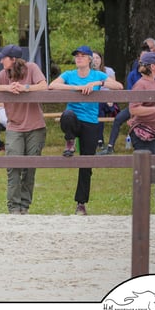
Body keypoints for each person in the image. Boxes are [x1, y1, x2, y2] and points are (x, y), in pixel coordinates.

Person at [48, 45, 123, 215]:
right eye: (77, 56)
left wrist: (96, 83)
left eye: (83, 56)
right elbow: (52, 85)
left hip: (90, 122)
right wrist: (76, 88)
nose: (79, 58)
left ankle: (81, 203)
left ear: (90, 59)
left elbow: (118, 86)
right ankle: (70, 141)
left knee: (87, 164)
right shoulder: (69, 74)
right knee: (66, 115)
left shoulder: (97, 74)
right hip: (73, 120)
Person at [0, 44, 48, 214]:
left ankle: (24, 206)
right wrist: (8, 88)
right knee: (13, 165)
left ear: (13, 59)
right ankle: (13, 207)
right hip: (14, 127)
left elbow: (43, 85)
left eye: (3, 58)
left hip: (35, 127)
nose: (1, 62)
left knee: (30, 168)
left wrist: (25, 88)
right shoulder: (4, 75)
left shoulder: (32, 68)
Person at [99, 38, 155, 155]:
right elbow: (133, 105)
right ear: (152, 66)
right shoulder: (139, 81)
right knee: (146, 168)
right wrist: (133, 117)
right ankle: (110, 146)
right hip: (144, 132)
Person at [127, 51, 155, 207]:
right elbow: (134, 110)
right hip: (143, 133)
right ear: (153, 66)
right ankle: (142, 207)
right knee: (145, 173)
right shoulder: (141, 84)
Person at [91, 50, 119, 149]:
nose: (95, 60)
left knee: (100, 107)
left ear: (101, 59)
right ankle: (99, 140)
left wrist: (110, 99)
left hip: (109, 102)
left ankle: (99, 140)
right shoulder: (89, 73)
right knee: (99, 110)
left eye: (97, 58)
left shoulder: (109, 71)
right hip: (95, 103)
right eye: (93, 58)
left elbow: (115, 87)